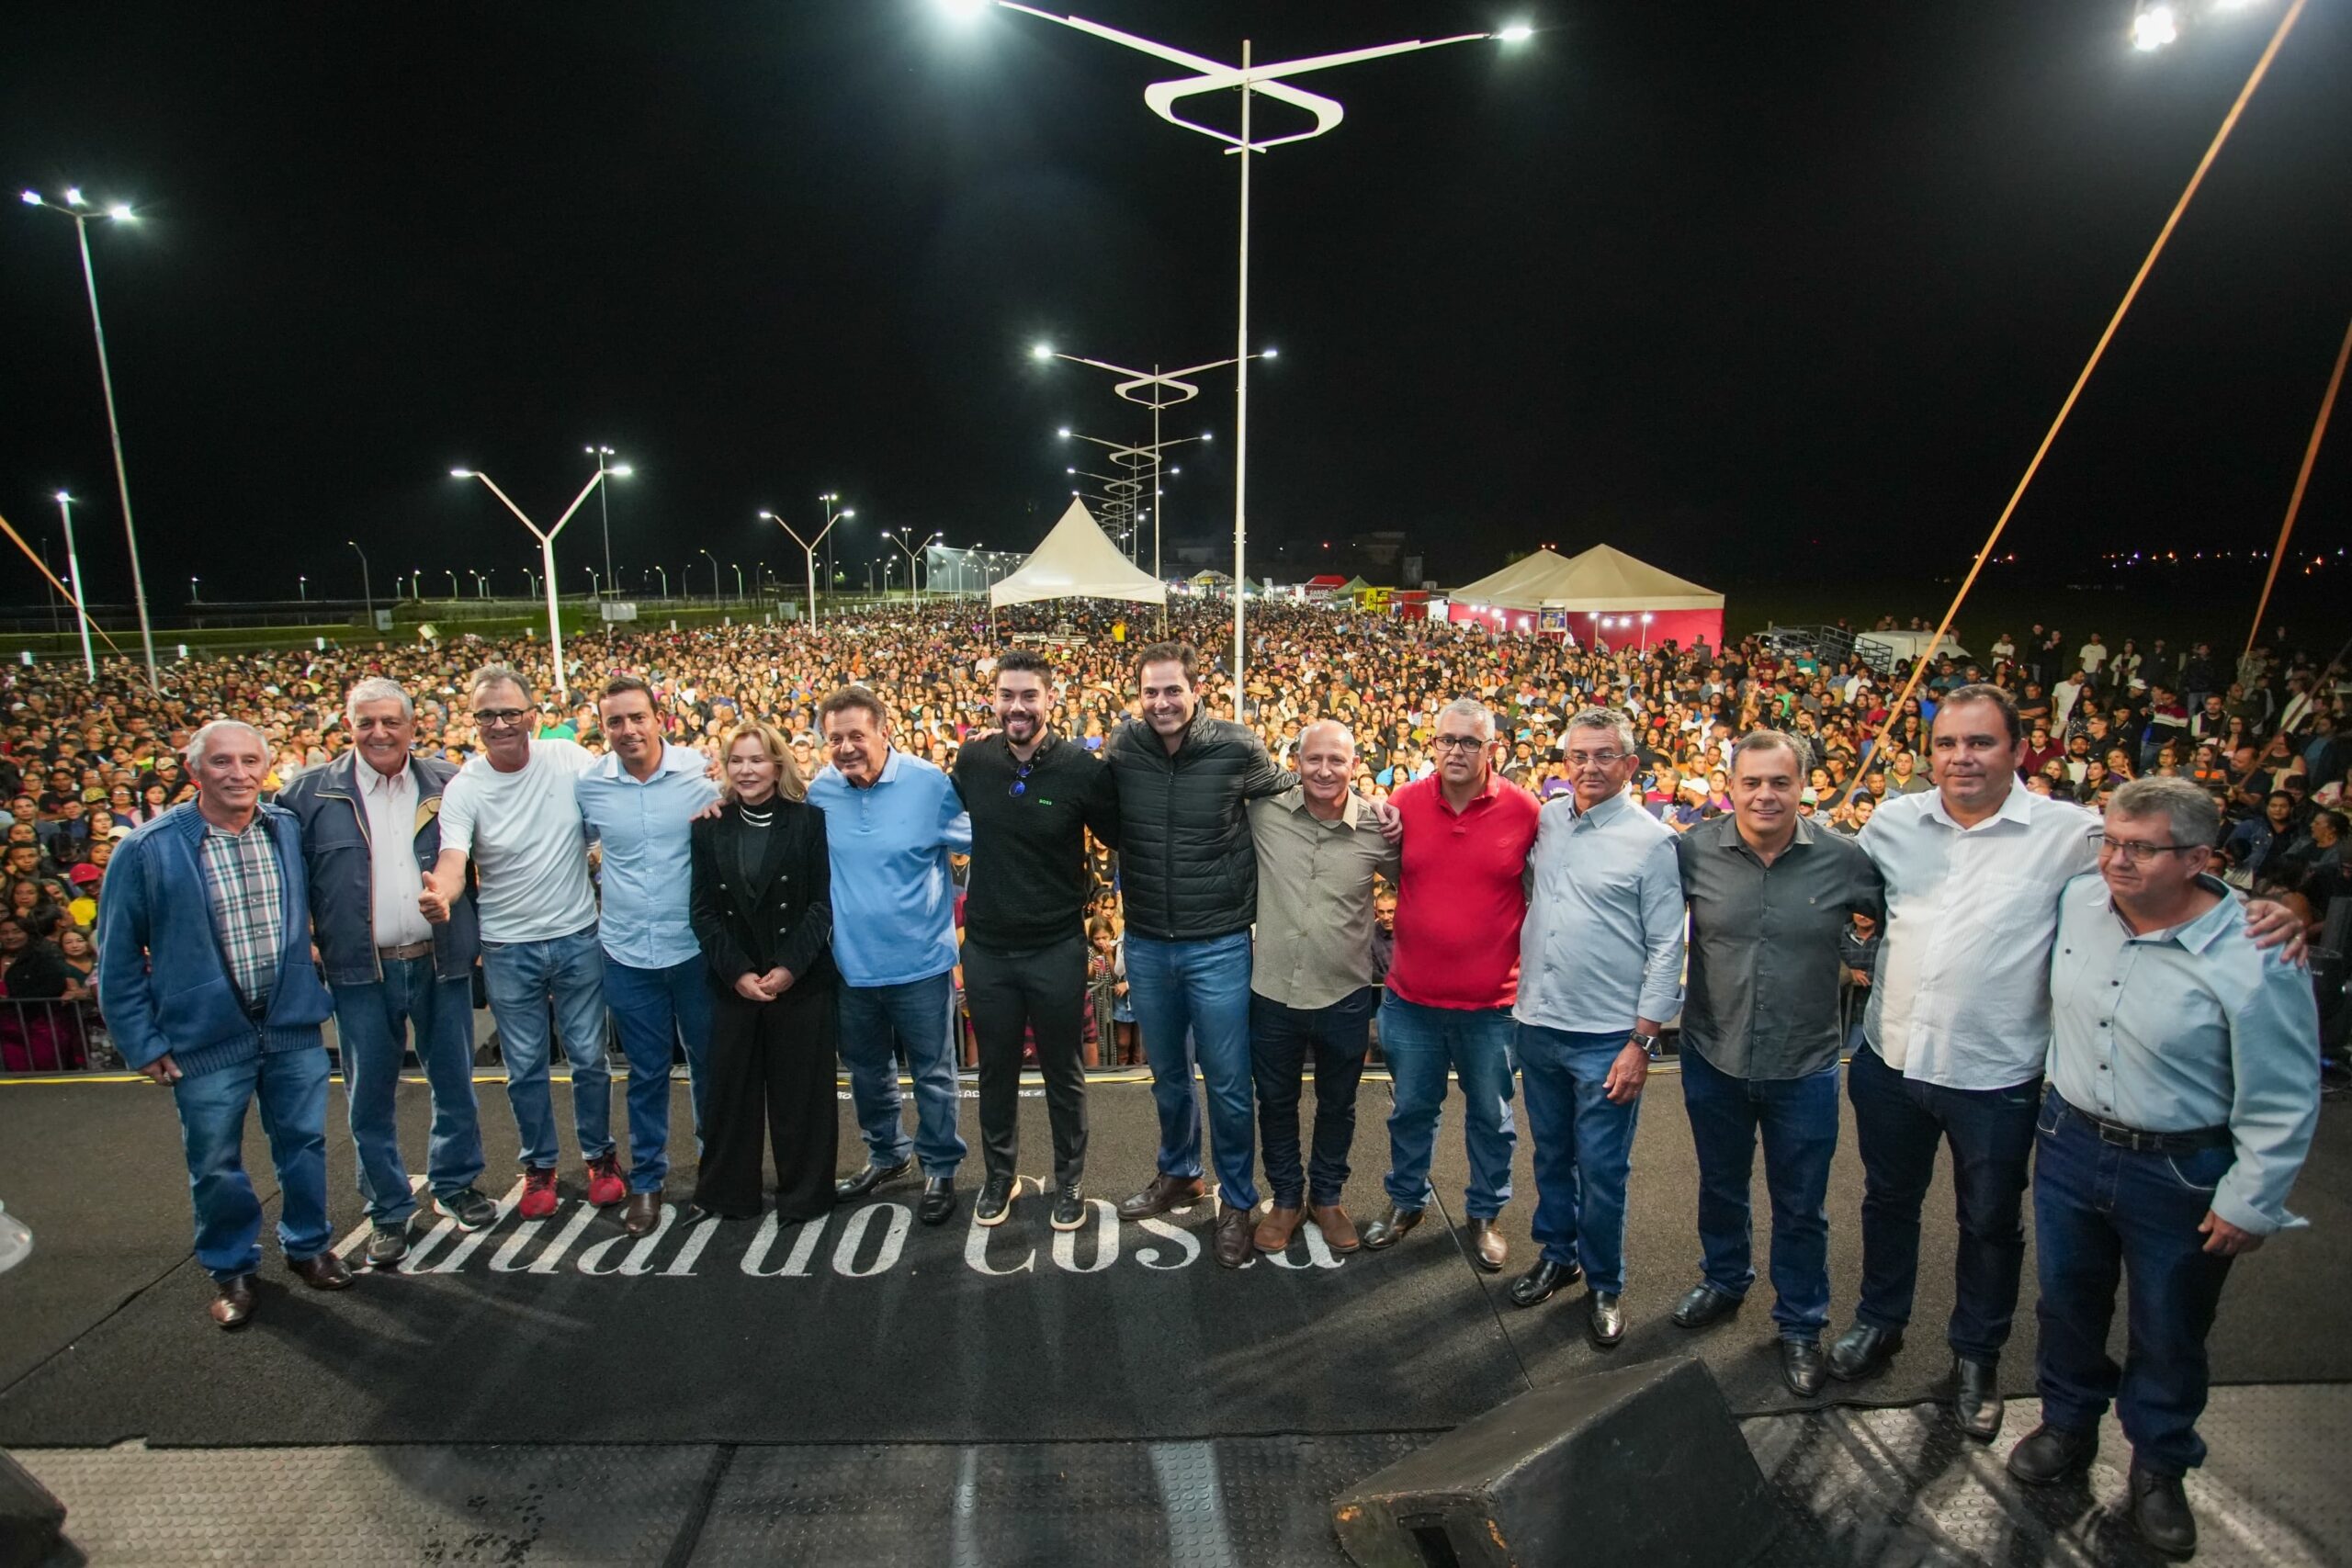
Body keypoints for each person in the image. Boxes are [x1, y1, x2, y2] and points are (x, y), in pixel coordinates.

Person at [2007, 778, 2319, 1559]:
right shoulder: (2079, 899)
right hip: (2073, 1141)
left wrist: (2253, 1197)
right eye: (2110, 841)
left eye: (2140, 848)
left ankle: (2158, 1464)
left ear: (2201, 859)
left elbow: (2284, 1091)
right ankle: (2068, 1421)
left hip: (2181, 1169)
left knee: (2171, 1324)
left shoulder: (2257, 947)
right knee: (2067, 1303)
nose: (2116, 859)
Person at [1830, 684, 2102, 1438]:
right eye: (1948, 743)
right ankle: (1880, 1320)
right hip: (1891, 1058)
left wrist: (2250, 903)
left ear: (2018, 750)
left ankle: (1976, 1354)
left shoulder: (2071, 835)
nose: (1962, 757)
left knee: (1988, 1221)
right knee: (1888, 1201)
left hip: (1997, 1074)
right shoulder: (1893, 823)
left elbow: (2162, 861)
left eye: (1981, 742)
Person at [95, 719, 353, 1328]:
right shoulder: (147, 848)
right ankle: (230, 1267)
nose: (237, 773)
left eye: (248, 760)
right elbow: (117, 954)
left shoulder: (286, 830)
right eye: (221, 762)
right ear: (194, 771)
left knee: (306, 1144)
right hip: (205, 1039)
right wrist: (141, 1040)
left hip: (289, 1026)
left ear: (266, 767)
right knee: (214, 1160)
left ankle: (308, 1244)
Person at [1668, 730, 1884, 1395]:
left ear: (1802, 787)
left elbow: (1892, 932)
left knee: (1801, 1204)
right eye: (1752, 781)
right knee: (1720, 1181)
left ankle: (1800, 1321)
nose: (1765, 794)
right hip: (1714, 1052)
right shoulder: (1691, 852)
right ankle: (1725, 1278)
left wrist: (1857, 949)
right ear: (1728, 785)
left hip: (1806, 1061)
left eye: (1780, 782)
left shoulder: (1846, 860)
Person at [277, 677, 496, 1269]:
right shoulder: (306, 797)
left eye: (390, 722)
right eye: (365, 723)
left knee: (454, 1084)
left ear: (411, 725)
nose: (379, 733)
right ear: (347, 727)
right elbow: (287, 886)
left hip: (439, 962)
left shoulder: (450, 784)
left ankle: (455, 1185)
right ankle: (388, 1210)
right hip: (360, 974)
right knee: (369, 1097)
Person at [1100, 642, 1292, 1269]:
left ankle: (1238, 1200)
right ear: (1139, 696)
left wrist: (1374, 814)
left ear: (1194, 688)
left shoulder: (1238, 746)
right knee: (1170, 1076)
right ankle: (1179, 1172)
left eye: (1172, 690)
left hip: (1219, 943)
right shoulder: (1123, 747)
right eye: (1150, 692)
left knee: (1231, 1084)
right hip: (1150, 942)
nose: (1161, 702)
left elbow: (1292, 797)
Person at [1506, 706, 1683, 1348]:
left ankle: (1606, 1280)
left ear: (1630, 765)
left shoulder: (1652, 840)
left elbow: (1668, 945)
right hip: (1539, 1023)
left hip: (1610, 1037)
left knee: (1603, 1167)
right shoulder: (1548, 818)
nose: (1589, 766)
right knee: (1551, 1154)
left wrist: (1643, 1040)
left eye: (1604, 755)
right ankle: (1559, 1252)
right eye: (1578, 755)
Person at [421, 665, 616, 1222]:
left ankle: (601, 1157)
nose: (500, 723)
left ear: (533, 715)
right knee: (526, 1067)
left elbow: (618, 810)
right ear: (475, 722)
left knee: (589, 1058)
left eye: (510, 712)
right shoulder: (465, 788)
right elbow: (454, 859)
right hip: (508, 947)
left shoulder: (570, 761)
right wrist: (444, 893)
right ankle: (540, 1166)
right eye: (488, 714)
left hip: (578, 934)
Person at [1363, 697, 1538, 1270]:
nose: (1455, 751)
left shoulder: (1524, 811)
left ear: (1493, 749)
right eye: (1446, 740)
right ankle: (1406, 1201)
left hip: (1492, 1005)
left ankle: (1485, 1212)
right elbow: (1382, 868)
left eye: (1469, 742)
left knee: (1492, 1115)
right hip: (1412, 999)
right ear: (1432, 745)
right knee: (1412, 1108)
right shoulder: (1405, 804)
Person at [950, 649, 1119, 1231]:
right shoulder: (972, 759)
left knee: (1062, 1070)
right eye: (1007, 696)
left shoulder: (1081, 769)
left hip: (1055, 947)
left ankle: (1069, 1180)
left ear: (1051, 699)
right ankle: (1001, 1176)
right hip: (989, 948)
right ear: (993, 700)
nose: (1017, 707)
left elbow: (1123, 833)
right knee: (995, 1070)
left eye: (1028, 696)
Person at [807, 684, 972, 1226]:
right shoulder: (820, 792)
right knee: (866, 1072)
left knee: (934, 1075)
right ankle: (887, 1155)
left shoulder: (929, 785)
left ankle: (941, 1167)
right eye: (836, 738)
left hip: (922, 964)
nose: (847, 747)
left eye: (857, 734)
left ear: (885, 730)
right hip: (851, 967)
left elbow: (981, 840)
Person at [574, 674, 721, 1236]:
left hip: (694, 950)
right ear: (603, 726)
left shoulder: (699, 772)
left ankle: (716, 1171)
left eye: (637, 717)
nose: (628, 729)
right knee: (647, 1074)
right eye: (615, 721)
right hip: (628, 952)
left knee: (710, 1067)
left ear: (660, 717)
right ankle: (649, 1180)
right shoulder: (590, 787)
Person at [1246, 719, 1398, 1255]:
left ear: (1354, 765)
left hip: (1345, 994)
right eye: (1315, 759)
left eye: (1337, 760)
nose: (1325, 770)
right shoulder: (1262, 813)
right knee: (1275, 1101)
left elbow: (1417, 879)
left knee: (1340, 1104)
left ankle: (1327, 1196)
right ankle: (1287, 1198)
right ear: (1297, 762)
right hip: (1272, 993)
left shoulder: (1379, 828)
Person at [685, 723, 838, 1224]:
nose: (746, 770)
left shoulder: (810, 821)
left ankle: (805, 1197)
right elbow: (703, 910)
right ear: (725, 768)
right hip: (735, 983)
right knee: (731, 1096)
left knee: (803, 1098)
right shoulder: (708, 825)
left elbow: (820, 904)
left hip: (800, 980)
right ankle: (729, 1195)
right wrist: (738, 974)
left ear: (777, 765)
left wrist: (790, 968)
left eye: (756, 760)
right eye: (736, 761)